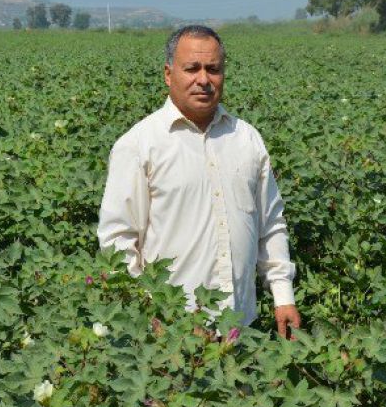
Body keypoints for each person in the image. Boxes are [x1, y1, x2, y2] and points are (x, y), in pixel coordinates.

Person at [97, 25, 301, 338]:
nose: (203, 80)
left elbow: (270, 224)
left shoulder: (247, 139)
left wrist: (283, 296)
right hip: (171, 332)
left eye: (213, 69)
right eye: (191, 68)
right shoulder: (139, 145)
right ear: (168, 74)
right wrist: (146, 312)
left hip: (240, 326)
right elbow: (118, 240)